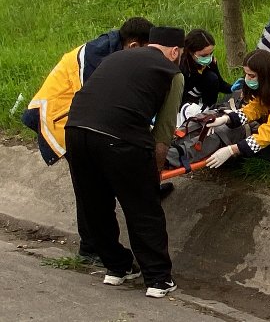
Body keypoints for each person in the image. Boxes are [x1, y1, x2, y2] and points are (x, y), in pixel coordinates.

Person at [64, 26, 185, 298]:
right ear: (175, 51)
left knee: (94, 203)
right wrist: (155, 171)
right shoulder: (172, 73)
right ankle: (157, 279)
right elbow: (164, 132)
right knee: (143, 207)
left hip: (76, 132)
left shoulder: (115, 57)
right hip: (121, 138)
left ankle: (116, 267)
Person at [21, 17, 153, 263]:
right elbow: (97, 98)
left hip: (77, 115)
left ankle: (95, 242)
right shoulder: (94, 56)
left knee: (96, 180)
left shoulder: (116, 50)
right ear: (134, 46)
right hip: (61, 118)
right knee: (91, 184)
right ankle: (90, 247)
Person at [22, 17, 153, 166]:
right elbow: (103, 107)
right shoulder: (97, 62)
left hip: (68, 109)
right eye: (147, 51)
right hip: (58, 115)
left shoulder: (115, 47)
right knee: (93, 165)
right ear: (134, 46)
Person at [178, 29, 232, 108]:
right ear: (191, 52)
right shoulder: (182, 65)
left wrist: (234, 88)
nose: (208, 58)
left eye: (210, 53)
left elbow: (219, 83)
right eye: (204, 55)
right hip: (184, 99)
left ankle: (209, 108)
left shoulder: (211, 61)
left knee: (212, 78)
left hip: (202, 96)